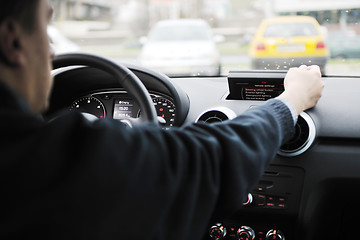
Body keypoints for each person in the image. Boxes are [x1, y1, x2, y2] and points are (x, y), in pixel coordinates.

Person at [0, 0, 324, 239]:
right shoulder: (57, 158)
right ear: (14, 42)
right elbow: (212, 161)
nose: (52, 52)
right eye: (45, 30)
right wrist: (292, 100)